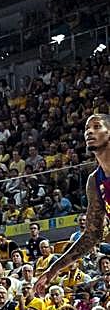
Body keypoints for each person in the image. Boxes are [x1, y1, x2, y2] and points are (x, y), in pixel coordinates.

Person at [35, 114, 110, 293]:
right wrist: (54, 268)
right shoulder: (94, 181)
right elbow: (92, 235)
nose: (89, 132)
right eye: (86, 129)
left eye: (97, 126)